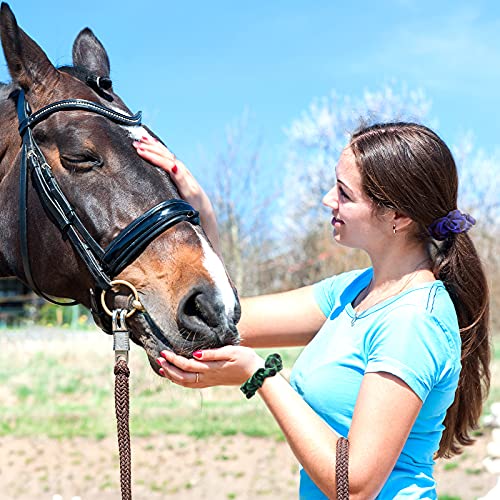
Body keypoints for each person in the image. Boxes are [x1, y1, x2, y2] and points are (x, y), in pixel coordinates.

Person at [133, 122, 490, 499]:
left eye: (344, 193)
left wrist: (260, 376)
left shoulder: (413, 321)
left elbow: (353, 485)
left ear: (398, 217)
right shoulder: (353, 291)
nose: (327, 199)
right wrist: (201, 210)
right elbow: (227, 321)